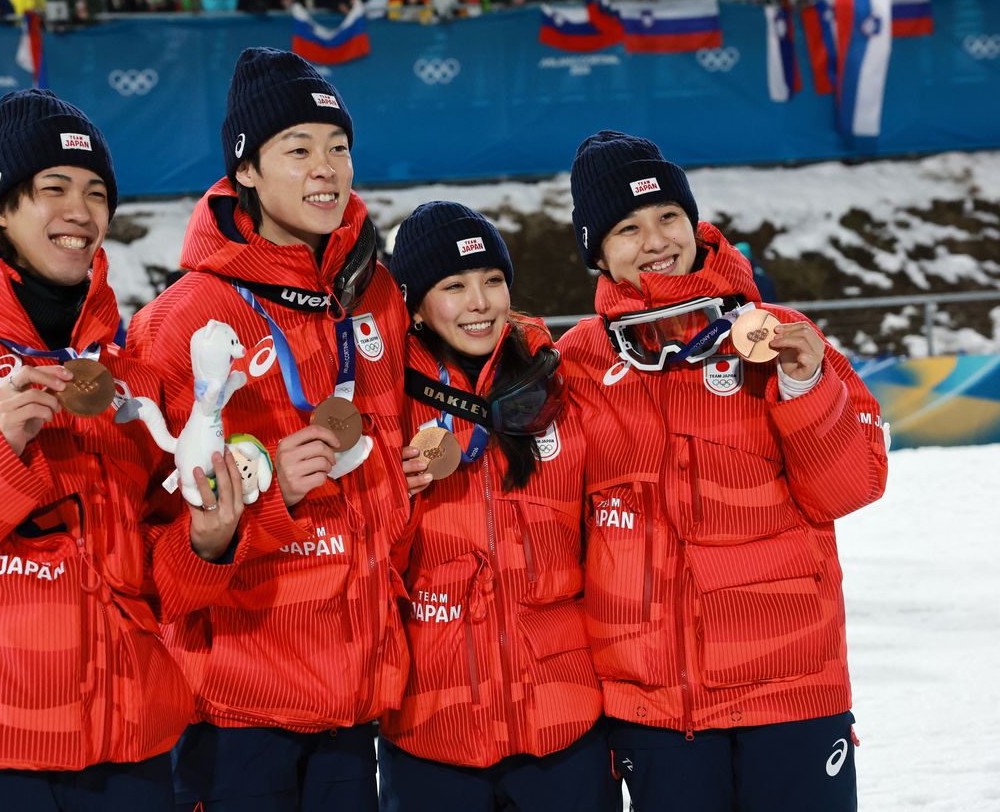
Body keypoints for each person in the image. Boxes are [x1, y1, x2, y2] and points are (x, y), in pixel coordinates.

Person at [0, 88, 245, 809]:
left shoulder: (129, 378)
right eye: (53, 188)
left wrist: (209, 543)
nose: (81, 211)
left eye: (97, 193)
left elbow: (158, 582)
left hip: (127, 751)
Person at [557, 131, 889, 812]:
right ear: (597, 249)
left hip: (792, 693)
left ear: (694, 221)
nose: (655, 240)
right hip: (656, 710)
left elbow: (849, 488)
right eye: (628, 227)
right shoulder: (578, 362)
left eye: (668, 217)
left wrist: (806, 386)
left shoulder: (780, 335)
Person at [126, 48, 412, 811]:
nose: (327, 169)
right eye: (299, 150)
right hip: (237, 712)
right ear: (246, 170)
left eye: (339, 148)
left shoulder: (374, 294)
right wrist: (268, 492)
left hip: (356, 702)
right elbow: (154, 556)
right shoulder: (182, 319)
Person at [380, 201, 616, 811]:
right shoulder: (389, 407)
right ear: (415, 304)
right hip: (430, 728)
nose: (480, 302)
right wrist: (392, 497)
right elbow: (370, 566)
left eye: (492, 281)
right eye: (453, 286)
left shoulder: (559, 388)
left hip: (565, 726)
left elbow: (609, 547)